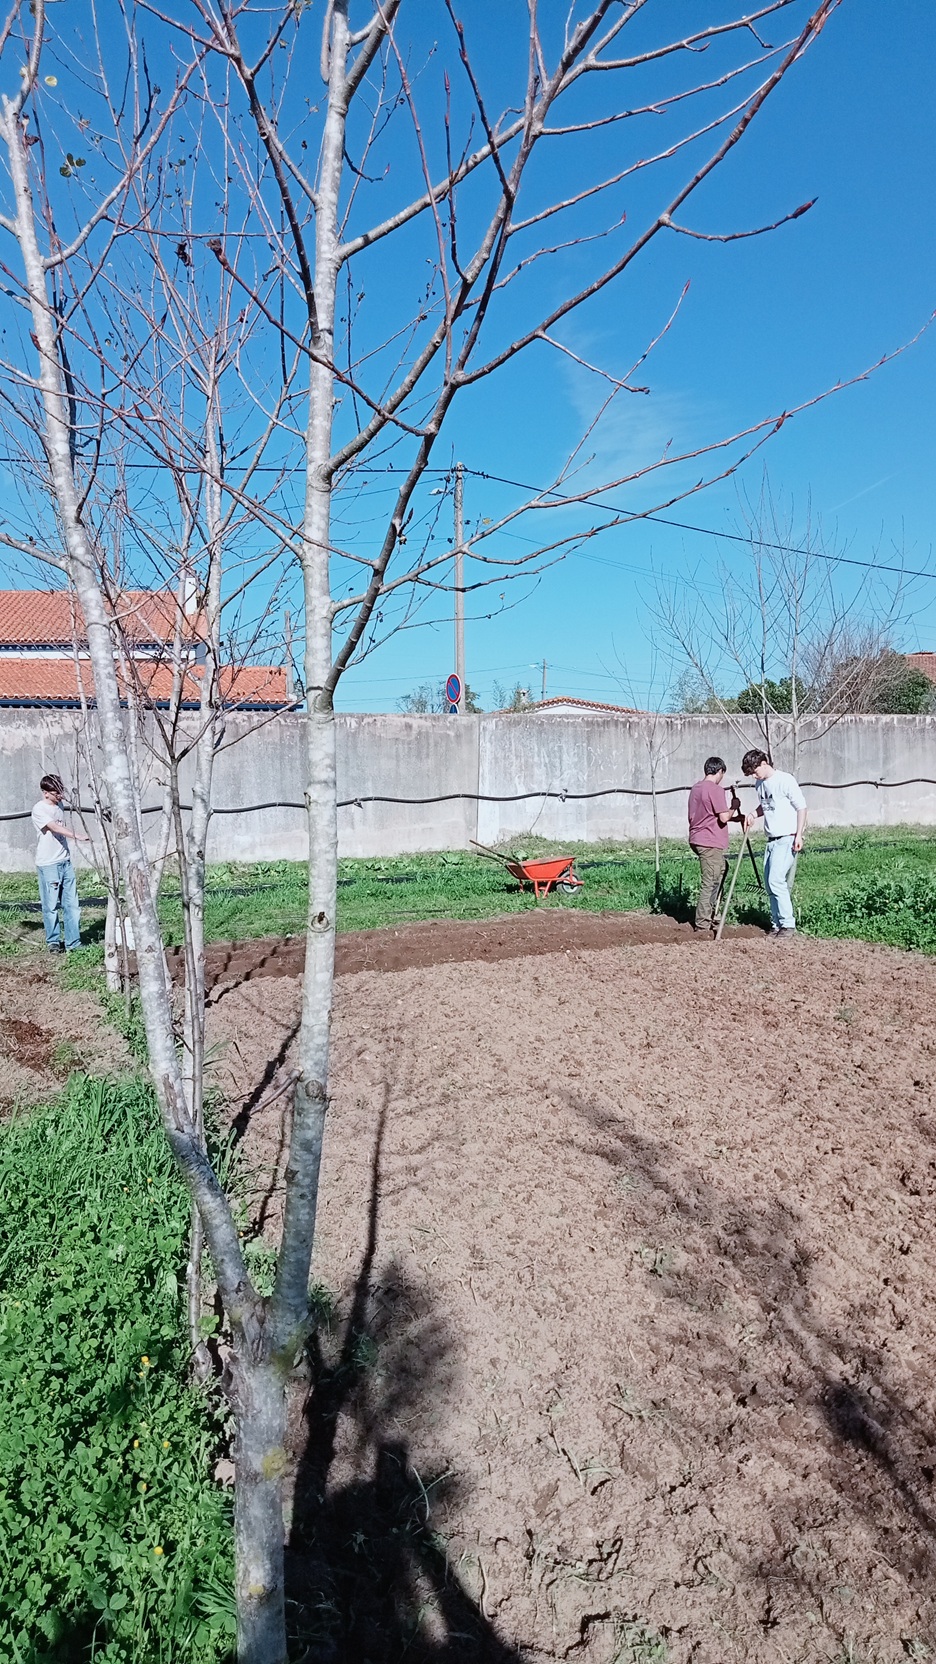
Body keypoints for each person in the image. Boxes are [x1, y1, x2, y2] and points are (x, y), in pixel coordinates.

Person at [741, 748, 807, 942]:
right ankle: (777, 924)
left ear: (764, 763)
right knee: (770, 884)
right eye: (751, 774)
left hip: (786, 837)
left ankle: (788, 924)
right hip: (771, 840)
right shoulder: (759, 784)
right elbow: (766, 804)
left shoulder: (785, 780)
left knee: (777, 880)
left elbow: (801, 807)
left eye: (755, 771)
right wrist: (753, 814)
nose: (754, 776)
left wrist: (799, 835)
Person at [31, 774, 91, 954]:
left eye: (61, 791)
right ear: (45, 793)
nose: (60, 795)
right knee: (50, 905)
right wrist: (78, 836)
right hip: (49, 863)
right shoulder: (39, 809)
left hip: (65, 861)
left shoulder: (59, 805)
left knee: (72, 904)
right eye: (56, 792)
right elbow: (55, 828)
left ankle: (74, 942)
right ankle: (54, 942)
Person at [687, 756, 741, 935]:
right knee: (709, 881)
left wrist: (735, 816)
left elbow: (710, 815)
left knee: (721, 870)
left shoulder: (696, 788)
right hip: (709, 841)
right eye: (722, 775)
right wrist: (734, 806)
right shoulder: (715, 789)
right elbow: (723, 817)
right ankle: (703, 925)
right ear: (719, 772)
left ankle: (712, 914)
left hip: (697, 838)